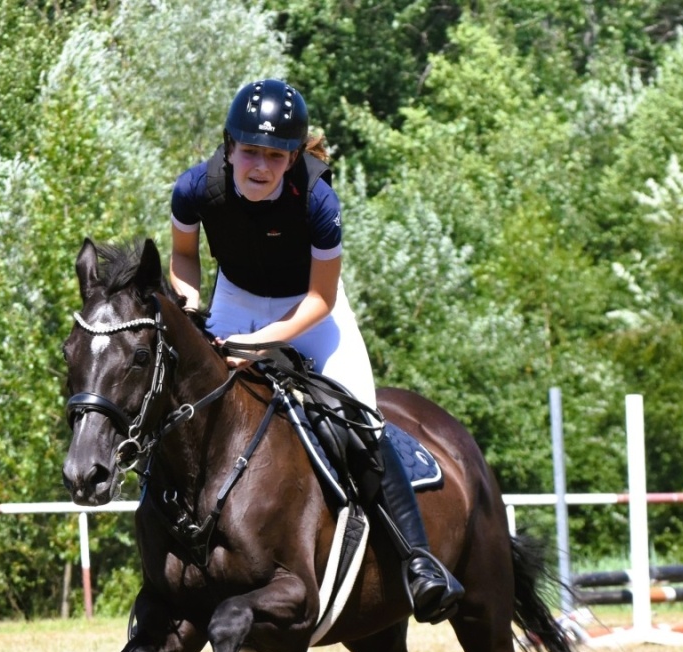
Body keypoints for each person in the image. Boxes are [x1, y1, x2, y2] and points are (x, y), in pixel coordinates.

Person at [168, 79, 463, 624]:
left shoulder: (320, 201)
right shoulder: (193, 189)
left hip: (310, 309)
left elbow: (321, 298)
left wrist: (262, 342)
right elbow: (183, 258)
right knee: (193, 402)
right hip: (236, 297)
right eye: (250, 151)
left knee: (361, 421)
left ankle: (418, 561)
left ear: (293, 157)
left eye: (275, 156)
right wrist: (189, 304)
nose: (260, 166)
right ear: (229, 147)